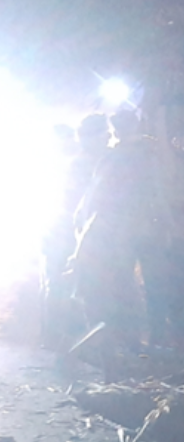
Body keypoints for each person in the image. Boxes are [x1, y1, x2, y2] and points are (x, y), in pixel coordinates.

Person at [72, 109, 174, 351]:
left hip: (122, 230)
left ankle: (127, 340)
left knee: (123, 283)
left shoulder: (113, 158)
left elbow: (94, 196)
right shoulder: (148, 154)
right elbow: (159, 191)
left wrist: (84, 224)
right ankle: (152, 337)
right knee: (151, 283)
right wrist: (168, 223)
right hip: (144, 227)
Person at [41, 117, 109, 346]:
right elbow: (73, 202)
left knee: (68, 282)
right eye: (104, 133)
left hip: (71, 230)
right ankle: (60, 335)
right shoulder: (81, 165)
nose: (108, 137)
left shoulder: (90, 162)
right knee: (63, 281)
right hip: (65, 231)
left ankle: (65, 334)